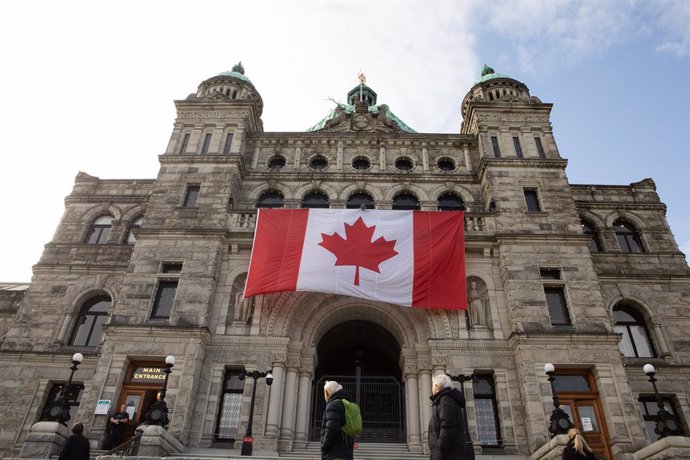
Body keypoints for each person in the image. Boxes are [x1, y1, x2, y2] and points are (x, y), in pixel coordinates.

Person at [428, 374, 467, 460]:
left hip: (446, 455)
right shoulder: (446, 400)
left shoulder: (445, 400)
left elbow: (447, 427)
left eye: (433, 385)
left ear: (437, 386)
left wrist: (438, 451)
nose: (432, 388)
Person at [320, 380, 354, 460]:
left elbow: (332, 428)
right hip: (346, 450)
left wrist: (324, 446)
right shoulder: (345, 404)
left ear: (328, 392)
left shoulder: (334, 405)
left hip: (334, 452)